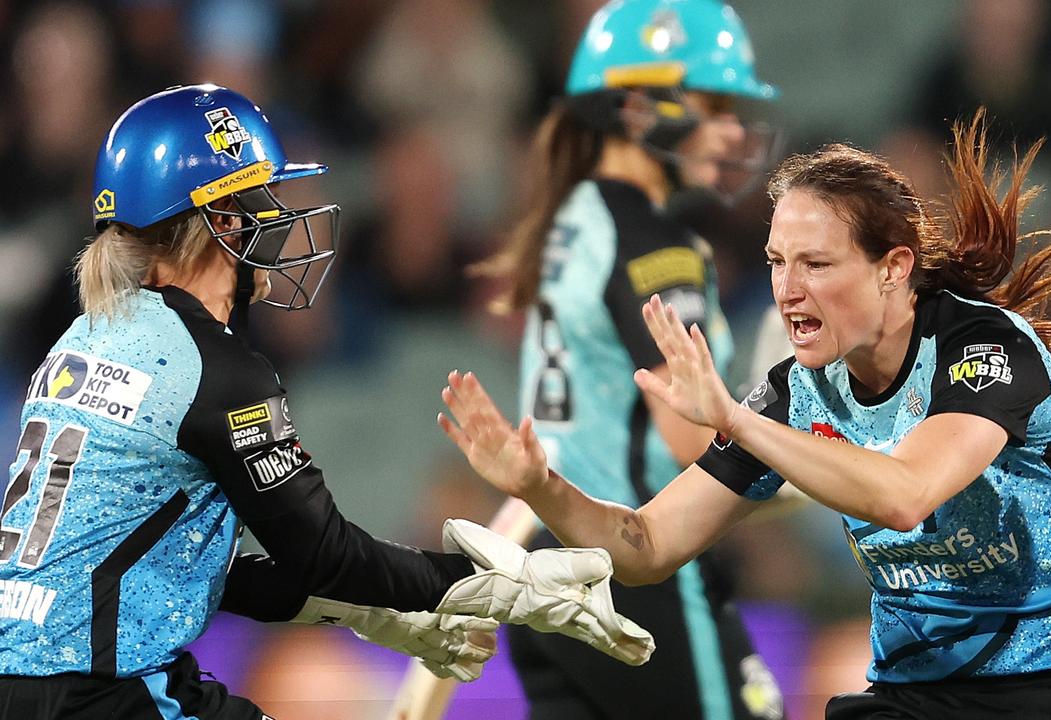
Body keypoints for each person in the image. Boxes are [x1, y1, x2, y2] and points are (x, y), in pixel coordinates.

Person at [440, 112, 1051, 720]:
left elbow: (904, 495)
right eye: (778, 262)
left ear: (893, 267)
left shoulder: (983, 348)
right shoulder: (794, 394)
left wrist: (737, 421)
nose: (787, 289)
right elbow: (646, 547)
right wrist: (540, 486)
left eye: (816, 264)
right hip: (918, 696)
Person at [0, 84, 652, 720]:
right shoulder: (215, 368)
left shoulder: (82, 341)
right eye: (269, 202)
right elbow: (325, 554)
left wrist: (375, 615)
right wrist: (514, 590)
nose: (284, 222)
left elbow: (179, 570)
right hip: (105, 690)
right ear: (222, 220)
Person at [461, 1, 786, 718]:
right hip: (632, 568)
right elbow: (696, 441)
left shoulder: (570, 217)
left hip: (543, 566)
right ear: (640, 109)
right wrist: (806, 449)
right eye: (715, 103)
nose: (732, 129)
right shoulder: (653, 242)